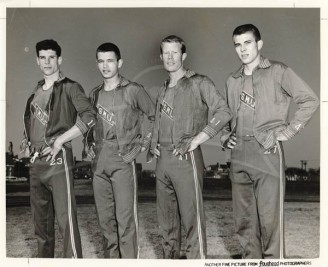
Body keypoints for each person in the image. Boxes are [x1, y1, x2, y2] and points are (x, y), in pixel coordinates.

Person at [221, 24, 319, 259]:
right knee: (244, 222)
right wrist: (225, 135)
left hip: (267, 150)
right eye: (237, 44)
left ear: (259, 44)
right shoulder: (232, 80)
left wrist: (288, 131)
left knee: (270, 220)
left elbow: (310, 100)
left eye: (247, 43)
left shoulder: (278, 71)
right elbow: (226, 116)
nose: (242, 49)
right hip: (239, 155)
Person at [149, 35, 232, 259]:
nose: (170, 57)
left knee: (191, 220)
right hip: (162, 161)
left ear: (183, 55)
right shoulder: (163, 89)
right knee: (166, 223)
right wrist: (152, 143)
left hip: (187, 159)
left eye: (175, 52)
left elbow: (224, 112)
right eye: (166, 52)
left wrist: (197, 140)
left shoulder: (199, 82)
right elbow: (158, 121)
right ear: (160, 57)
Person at [21, 39, 97, 258]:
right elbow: (34, 123)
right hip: (36, 163)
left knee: (66, 222)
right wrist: (26, 141)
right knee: (41, 227)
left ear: (59, 59)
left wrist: (60, 140)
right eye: (43, 58)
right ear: (37, 61)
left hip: (58, 159)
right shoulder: (35, 91)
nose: (47, 62)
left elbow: (90, 117)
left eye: (51, 57)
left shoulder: (70, 87)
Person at [84, 42, 155, 258]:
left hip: (123, 159)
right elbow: (87, 123)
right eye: (101, 61)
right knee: (105, 222)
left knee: (125, 221)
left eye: (110, 61)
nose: (106, 66)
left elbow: (155, 117)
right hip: (99, 162)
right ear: (97, 64)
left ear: (119, 63)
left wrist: (142, 146)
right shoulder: (94, 94)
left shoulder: (133, 90)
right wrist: (87, 146)